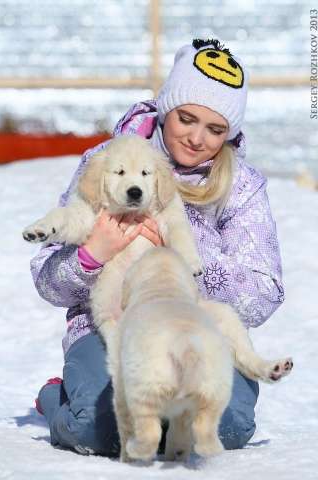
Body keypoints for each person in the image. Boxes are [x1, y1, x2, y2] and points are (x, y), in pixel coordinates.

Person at [32, 38, 284, 457]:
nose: (197, 138)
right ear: (167, 107)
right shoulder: (108, 161)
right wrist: (93, 254)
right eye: (187, 118)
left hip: (191, 323)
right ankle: (58, 397)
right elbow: (47, 282)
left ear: (230, 133)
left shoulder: (241, 186)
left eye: (216, 129)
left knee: (228, 425)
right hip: (110, 327)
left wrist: (185, 257)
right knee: (98, 428)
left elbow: (265, 294)